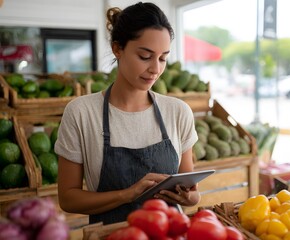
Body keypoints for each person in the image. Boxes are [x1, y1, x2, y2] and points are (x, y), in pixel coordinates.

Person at [55, 2, 200, 225]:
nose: (155, 69)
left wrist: (189, 197)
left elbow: (192, 194)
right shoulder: (81, 113)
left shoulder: (178, 112)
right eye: (145, 56)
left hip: (168, 232)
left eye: (162, 58)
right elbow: (68, 199)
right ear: (117, 49)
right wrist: (128, 194)